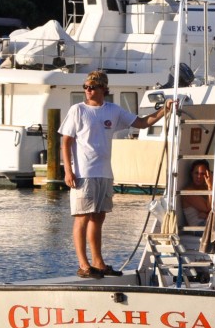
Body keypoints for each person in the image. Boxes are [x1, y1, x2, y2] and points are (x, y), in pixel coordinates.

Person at [61, 70, 172, 278]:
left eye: (92, 87)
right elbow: (66, 141)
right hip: (83, 173)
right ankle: (84, 265)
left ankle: (98, 262)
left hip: (104, 173)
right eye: (85, 87)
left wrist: (164, 111)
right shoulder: (78, 110)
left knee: (98, 217)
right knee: (82, 218)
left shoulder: (113, 110)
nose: (88, 91)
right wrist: (68, 170)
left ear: (104, 89)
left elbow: (141, 123)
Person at [180, 159, 213, 228]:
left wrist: (207, 215)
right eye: (196, 173)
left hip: (208, 221)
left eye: (202, 174)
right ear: (191, 174)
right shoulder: (188, 192)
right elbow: (208, 208)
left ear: (208, 175)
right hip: (199, 226)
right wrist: (210, 186)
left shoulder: (206, 189)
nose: (199, 177)